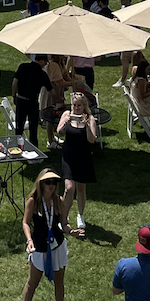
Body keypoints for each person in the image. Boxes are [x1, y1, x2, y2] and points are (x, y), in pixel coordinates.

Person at [19, 168, 76, 301]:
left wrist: (70, 231)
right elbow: (26, 223)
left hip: (57, 246)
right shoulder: (33, 201)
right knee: (32, 283)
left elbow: (64, 223)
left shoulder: (59, 201)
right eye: (48, 182)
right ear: (41, 183)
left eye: (54, 182)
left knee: (60, 282)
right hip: (39, 247)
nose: (51, 185)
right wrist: (29, 240)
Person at [55, 91, 97, 236]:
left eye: (79, 105)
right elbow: (59, 133)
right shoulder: (67, 114)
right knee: (69, 187)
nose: (76, 108)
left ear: (84, 106)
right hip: (69, 156)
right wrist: (66, 124)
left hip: (83, 156)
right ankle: (63, 219)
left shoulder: (90, 118)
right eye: (74, 105)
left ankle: (80, 215)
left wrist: (86, 125)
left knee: (81, 188)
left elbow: (92, 140)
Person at [12, 54, 51, 148]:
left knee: (19, 127)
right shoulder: (42, 74)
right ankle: (34, 149)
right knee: (33, 129)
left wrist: (14, 95)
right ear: (41, 61)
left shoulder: (23, 67)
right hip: (33, 103)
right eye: (45, 62)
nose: (45, 65)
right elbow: (51, 90)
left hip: (21, 100)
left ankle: (17, 148)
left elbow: (14, 83)